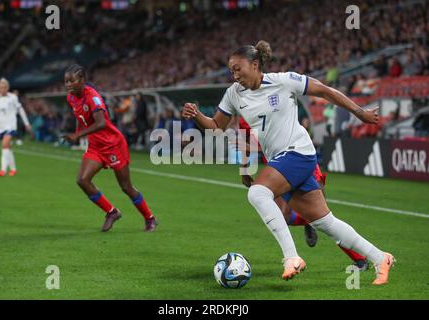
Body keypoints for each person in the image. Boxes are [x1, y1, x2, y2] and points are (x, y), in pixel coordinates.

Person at [181, 41, 394, 285]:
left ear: (255, 64)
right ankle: (381, 258)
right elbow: (216, 126)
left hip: (298, 153)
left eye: (238, 69)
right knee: (325, 222)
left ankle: (291, 257)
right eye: (231, 70)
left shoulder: (283, 81)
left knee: (258, 194)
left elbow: (325, 91)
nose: (235, 75)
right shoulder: (234, 94)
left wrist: (360, 113)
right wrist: (197, 115)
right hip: (281, 160)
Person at [237, 118, 369, 270]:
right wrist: (245, 172)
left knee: (324, 218)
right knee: (284, 216)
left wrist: (251, 152)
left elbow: (275, 140)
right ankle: (305, 223)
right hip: (277, 168)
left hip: (300, 159)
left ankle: (360, 259)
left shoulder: (273, 101)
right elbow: (245, 145)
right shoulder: (243, 114)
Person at [62, 64, 158, 232]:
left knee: (126, 187)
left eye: (72, 81)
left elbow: (101, 123)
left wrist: (78, 135)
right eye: (66, 81)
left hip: (113, 145)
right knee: (82, 180)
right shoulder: (71, 98)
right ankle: (112, 212)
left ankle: (150, 218)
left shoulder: (93, 98)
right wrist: (77, 134)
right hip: (95, 146)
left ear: (82, 80)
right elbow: (80, 118)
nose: (68, 84)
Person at [0, 78, 31, 176]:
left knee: (4, 144)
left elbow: (20, 110)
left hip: (11, 125)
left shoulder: (13, 97)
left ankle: (3, 170)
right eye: (1, 87)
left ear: (8, 87)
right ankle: (13, 169)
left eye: (4, 87)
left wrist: (26, 123)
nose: (3, 89)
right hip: (0, 126)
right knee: (7, 148)